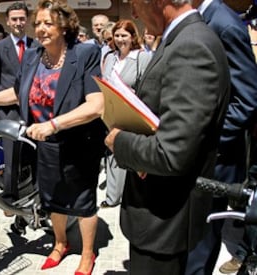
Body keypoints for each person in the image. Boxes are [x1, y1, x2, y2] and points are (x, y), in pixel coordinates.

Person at [0, 1, 105, 274]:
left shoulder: (85, 54)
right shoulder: (34, 55)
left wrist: (53, 124)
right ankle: (60, 244)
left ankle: (88, 254)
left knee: (82, 202)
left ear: (65, 26)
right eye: (39, 24)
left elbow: (96, 105)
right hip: (45, 143)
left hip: (79, 143)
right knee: (52, 199)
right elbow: (17, 92)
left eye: (48, 23)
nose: (41, 29)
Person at [104, 0, 230, 274]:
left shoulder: (191, 46)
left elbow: (172, 152)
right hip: (158, 217)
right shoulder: (179, 39)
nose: (134, 13)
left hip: (165, 221)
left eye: (134, 3)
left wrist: (119, 141)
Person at [186, 0, 257, 274]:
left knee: (200, 244)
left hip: (215, 157)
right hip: (199, 153)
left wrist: (205, 140)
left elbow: (248, 99)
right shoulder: (204, 18)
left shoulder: (224, 24)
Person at [0, 2, 38, 207]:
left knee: (35, 151)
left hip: (34, 110)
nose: (18, 23)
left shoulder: (36, 46)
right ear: (8, 21)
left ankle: (36, 194)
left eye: (22, 19)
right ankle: (10, 197)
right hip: (9, 110)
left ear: (27, 20)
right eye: (14, 19)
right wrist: (9, 96)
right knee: (11, 154)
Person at [100, 19, 151, 209]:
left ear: (132, 37)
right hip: (112, 113)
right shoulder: (110, 57)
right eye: (117, 35)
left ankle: (133, 194)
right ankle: (113, 196)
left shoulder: (141, 57)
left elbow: (147, 87)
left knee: (130, 152)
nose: (120, 39)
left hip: (132, 114)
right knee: (112, 151)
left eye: (124, 35)